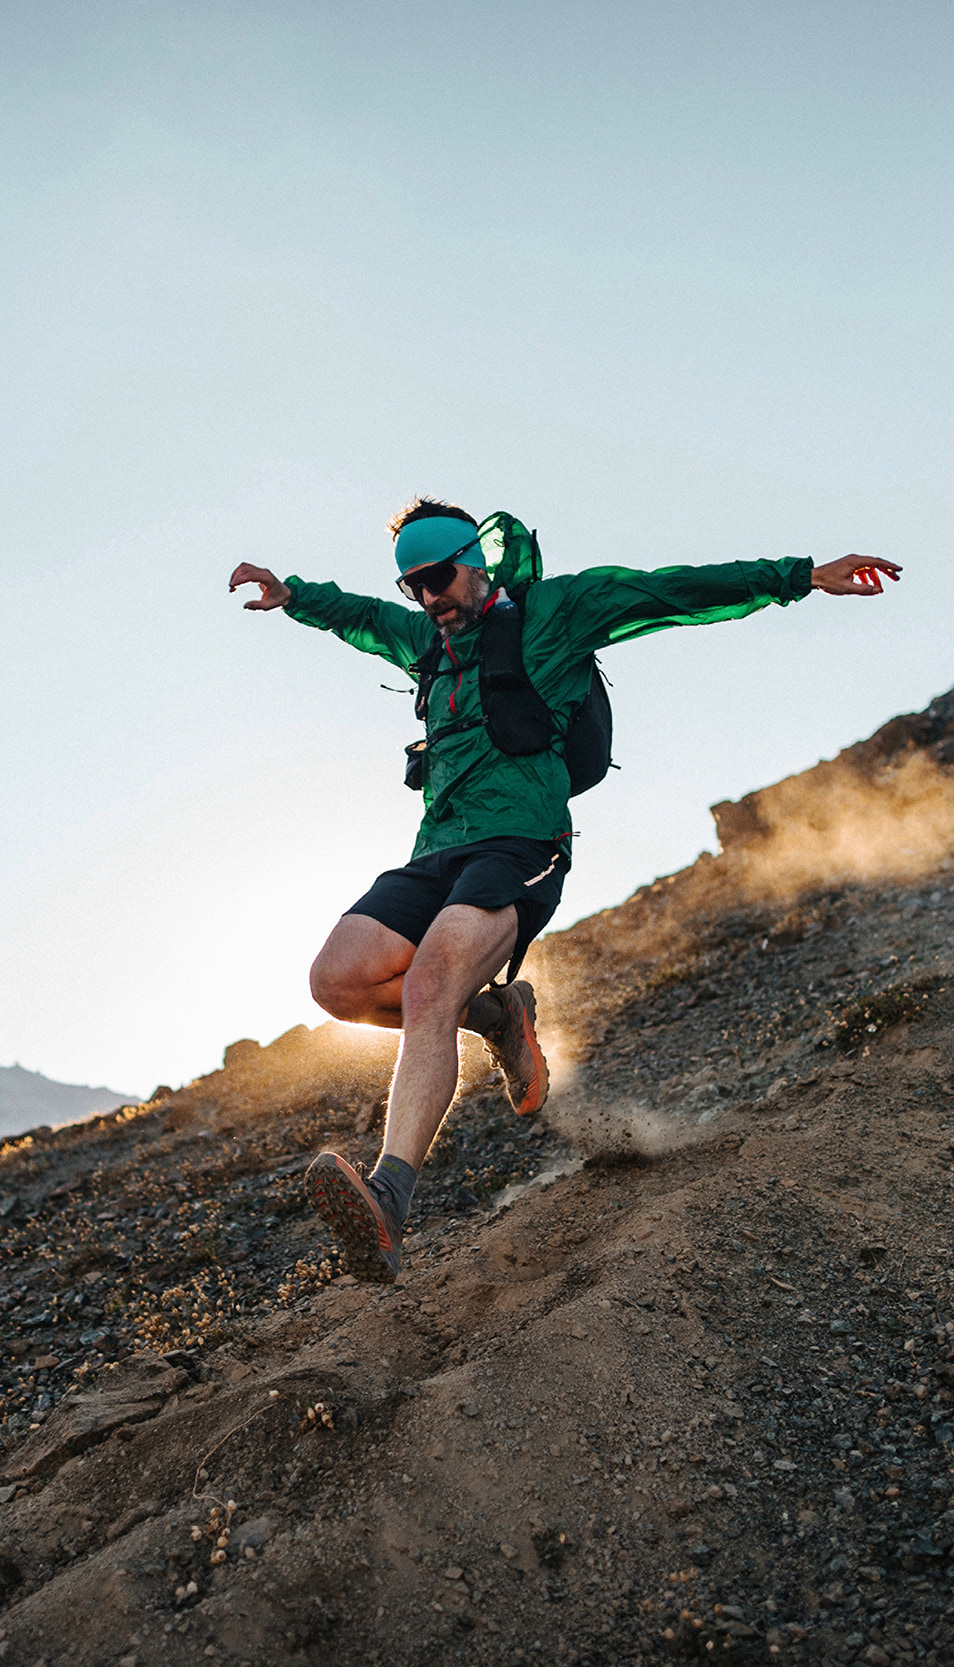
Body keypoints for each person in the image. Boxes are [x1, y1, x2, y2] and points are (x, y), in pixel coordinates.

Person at [229, 498, 900, 1281]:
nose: (426, 598)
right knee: (336, 980)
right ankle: (498, 1018)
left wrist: (801, 577)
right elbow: (361, 616)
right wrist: (294, 597)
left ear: (473, 560)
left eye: (438, 577)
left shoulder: (559, 610)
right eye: (413, 585)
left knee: (430, 981)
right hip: (436, 849)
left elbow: (673, 590)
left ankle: (389, 1197)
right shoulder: (425, 637)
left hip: (521, 843)